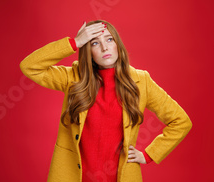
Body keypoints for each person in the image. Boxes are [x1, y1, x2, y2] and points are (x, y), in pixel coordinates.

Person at [20, 20, 192, 182]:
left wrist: (148, 155)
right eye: (94, 43)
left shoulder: (141, 81)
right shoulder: (73, 78)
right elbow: (30, 66)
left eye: (109, 39)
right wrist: (75, 42)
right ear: (88, 50)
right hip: (74, 176)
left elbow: (181, 121)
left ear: (117, 44)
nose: (104, 47)